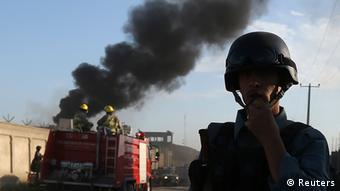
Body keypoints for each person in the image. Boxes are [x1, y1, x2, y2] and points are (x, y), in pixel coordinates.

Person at [189, 32, 331, 191]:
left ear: (282, 81)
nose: (253, 82)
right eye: (245, 74)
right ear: (237, 84)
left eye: (263, 72)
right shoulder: (216, 139)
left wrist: (271, 139)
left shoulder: (308, 141)